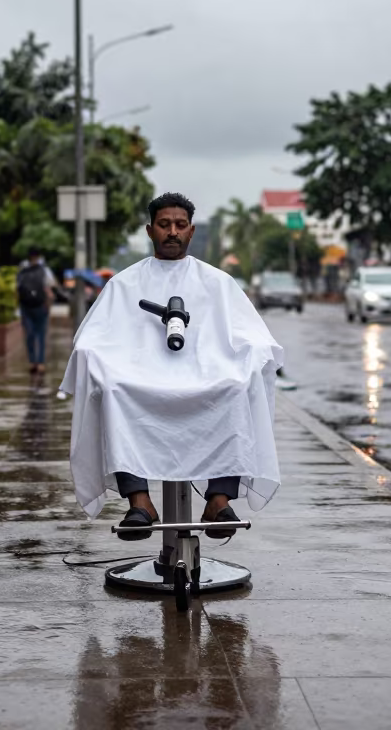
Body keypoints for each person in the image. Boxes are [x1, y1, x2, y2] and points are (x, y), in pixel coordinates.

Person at [60, 192, 283, 541]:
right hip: (140, 380)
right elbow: (92, 337)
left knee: (237, 387)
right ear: (150, 230)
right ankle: (140, 502)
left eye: (180, 225)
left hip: (208, 376)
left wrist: (252, 357)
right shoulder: (124, 284)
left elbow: (253, 335)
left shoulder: (218, 283)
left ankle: (218, 500)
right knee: (115, 390)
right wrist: (96, 358)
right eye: (164, 225)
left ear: (191, 231)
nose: (173, 232)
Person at [17, 247, 58, 375]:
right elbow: (51, 288)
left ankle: (32, 362)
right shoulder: (45, 270)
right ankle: (40, 363)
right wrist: (49, 305)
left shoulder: (22, 269)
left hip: (26, 306)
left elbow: (17, 288)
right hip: (41, 306)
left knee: (29, 335)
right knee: (40, 335)